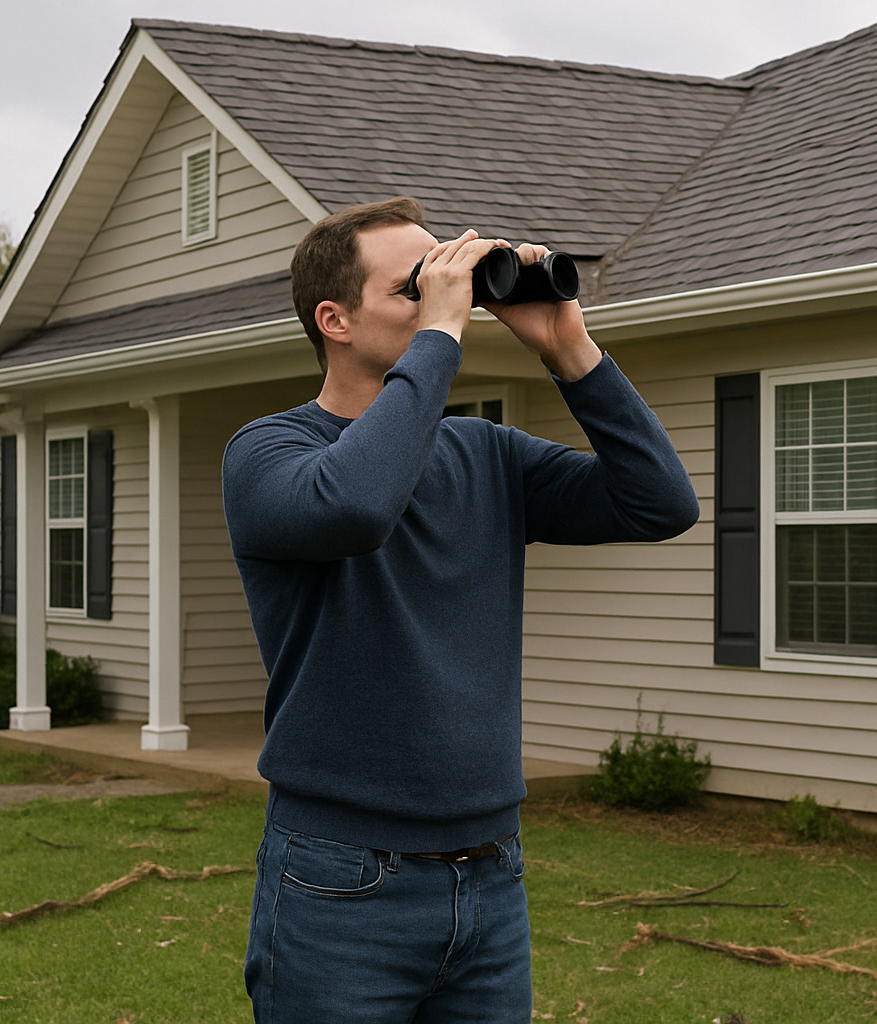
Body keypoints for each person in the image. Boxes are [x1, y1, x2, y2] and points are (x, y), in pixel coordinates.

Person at [221, 197, 700, 1023]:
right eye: (415, 286)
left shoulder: (487, 454)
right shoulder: (268, 453)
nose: (446, 298)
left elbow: (660, 503)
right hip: (338, 879)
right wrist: (439, 336)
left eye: (448, 279)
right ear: (334, 320)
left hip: (490, 873)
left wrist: (568, 348)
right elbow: (358, 505)